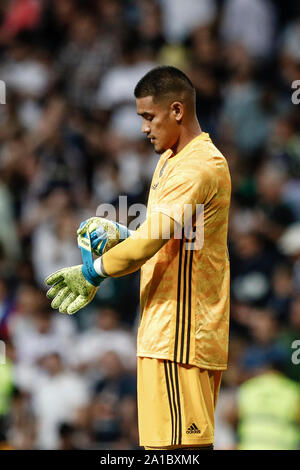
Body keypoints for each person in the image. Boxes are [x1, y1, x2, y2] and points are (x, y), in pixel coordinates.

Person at [45, 66, 231, 450]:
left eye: (149, 117)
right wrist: (122, 236)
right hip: (160, 332)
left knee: (182, 453)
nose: (144, 129)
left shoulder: (200, 166)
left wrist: (92, 272)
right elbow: (162, 240)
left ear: (177, 110)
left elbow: (150, 244)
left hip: (183, 336)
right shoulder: (168, 160)